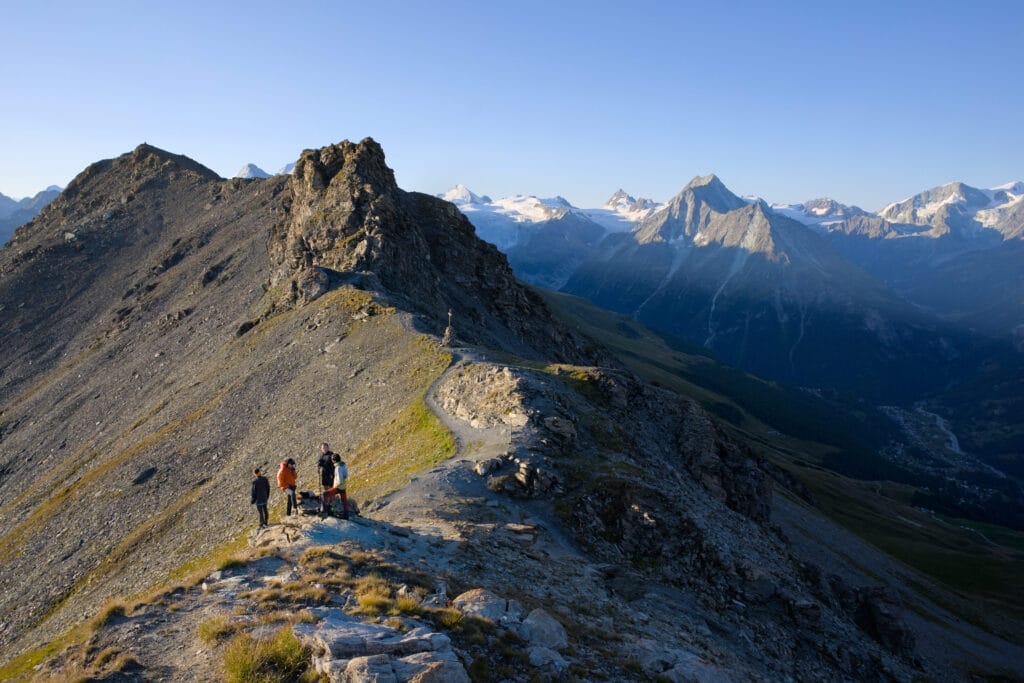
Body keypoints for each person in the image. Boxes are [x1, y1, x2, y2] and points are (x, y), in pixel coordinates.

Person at [323, 452, 349, 519]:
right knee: (344, 501)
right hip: (343, 486)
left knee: (325, 494)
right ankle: (346, 516)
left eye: (332, 459)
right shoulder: (343, 465)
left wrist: (335, 486)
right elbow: (346, 475)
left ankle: (326, 512)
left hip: (338, 487)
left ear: (334, 460)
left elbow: (339, 480)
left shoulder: (338, 468)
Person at [317, 442, 336, 511]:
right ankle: (327, 504)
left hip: (330, 474)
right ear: (321, 449)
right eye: (323, 448)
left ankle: (332, 505)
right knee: (325, 489)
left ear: (328, 448)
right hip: (324, 474)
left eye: (325, 447)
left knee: (331, 489)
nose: (324, 449)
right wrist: (319, 465)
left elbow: (333, 465)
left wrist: (333, 474)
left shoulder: (331, 455)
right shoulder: (321, 455)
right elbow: (320, 463)